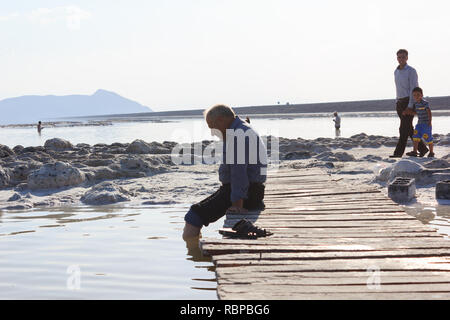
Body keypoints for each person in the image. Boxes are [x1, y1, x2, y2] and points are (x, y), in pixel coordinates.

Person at [182, 104, 267, 239]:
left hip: (246, 194)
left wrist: (238, 205)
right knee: (198, 211)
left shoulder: (238, 135)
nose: (212, 133)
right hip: (250, 191)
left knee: (194, 215)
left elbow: (239, 173)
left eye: (212, 127)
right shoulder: (241, 128)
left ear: (221, 120)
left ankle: (192, 253)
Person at [390, 49, 428, 158]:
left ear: (407, 58)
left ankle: (397, 154)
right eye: (399, 57)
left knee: (403, 129)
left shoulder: (411, 71)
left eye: (403, 57)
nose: (401, 59)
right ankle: (423, 149)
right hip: (400, 103)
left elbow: (414, 89)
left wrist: (410, 106)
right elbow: (398, 88)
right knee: (408, 129)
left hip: (409, 102)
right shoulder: (396, 71)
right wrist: (397, 101)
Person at [404, 87, 435, 157]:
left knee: (428, 138)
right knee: (415, 136)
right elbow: (417, 112)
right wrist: (408, 112)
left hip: (426, 124)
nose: (416, 96)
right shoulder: (416, 104)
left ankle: (431, 152)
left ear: (422, 95)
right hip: (419, 124)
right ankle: (415, 151)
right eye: (414, 95)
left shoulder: (424, 103)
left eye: (418, 95)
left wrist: (430, 122)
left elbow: (429, 112)